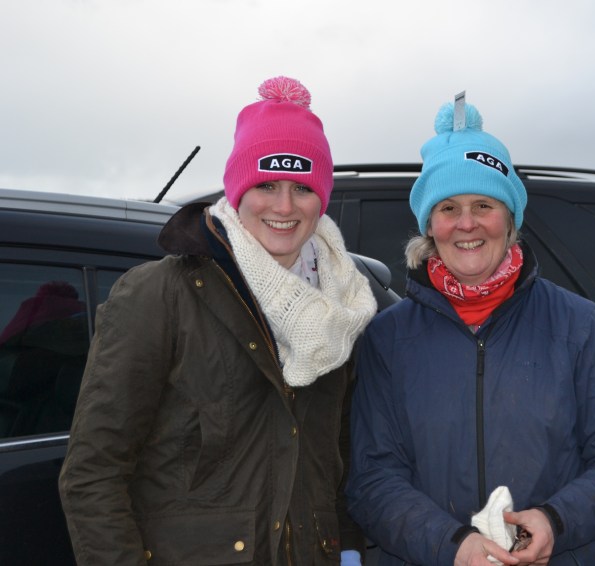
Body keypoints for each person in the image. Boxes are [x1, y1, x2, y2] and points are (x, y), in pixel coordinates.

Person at [58, 76, 377, 565]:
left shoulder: (339, 309)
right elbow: (93, 474)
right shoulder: (158, 295)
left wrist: (348, 550)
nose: (284, 207)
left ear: (323, 197)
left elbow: (339, 460)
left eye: (302, 188)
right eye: (266, 185)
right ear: (238, 188)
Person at [346, 97, 595, 566]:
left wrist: (556, 520)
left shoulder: (581, 326)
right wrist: (451, 545)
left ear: (510, 218)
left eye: (484, 205)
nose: (466, 223)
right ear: (430, 224)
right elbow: (371, 478)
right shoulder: (388, 339)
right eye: (448, 207)